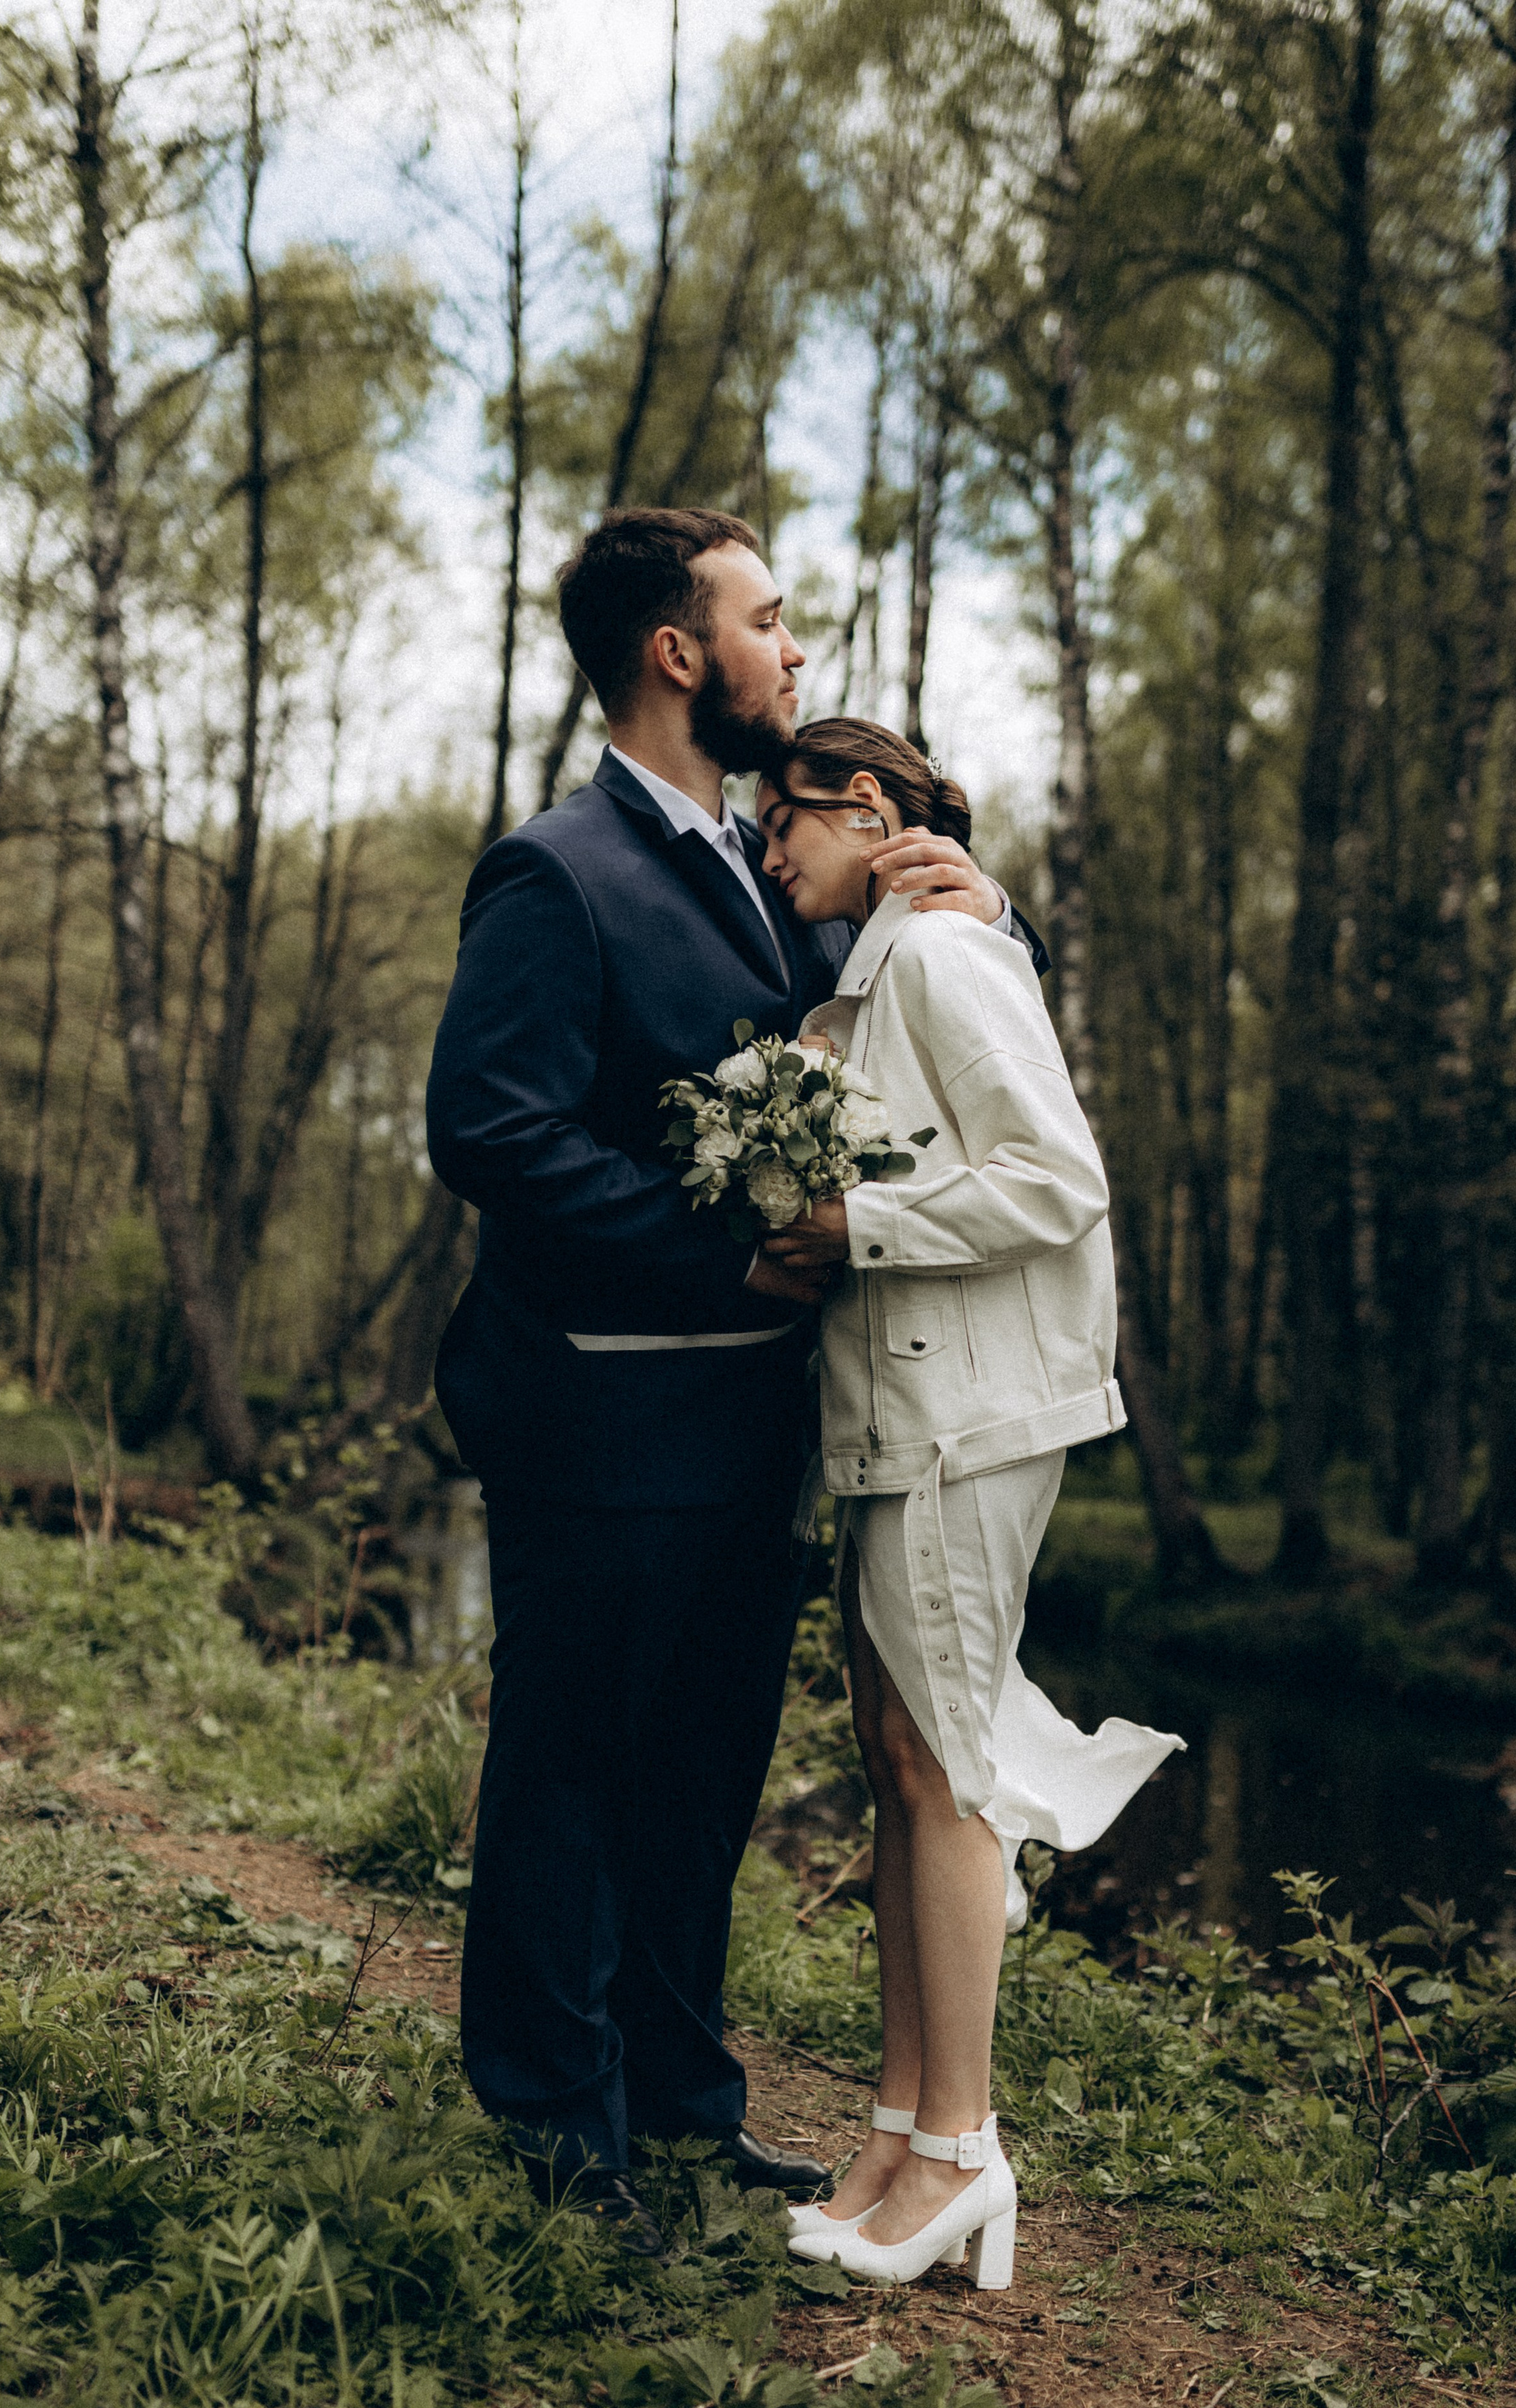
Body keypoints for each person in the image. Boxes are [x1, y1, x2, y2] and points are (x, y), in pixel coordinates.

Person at [424, 510, 1042, 2258]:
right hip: (595, 1411)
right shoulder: (560, 872)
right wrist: (718, 1257)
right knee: (572, 1768)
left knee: (700, 1773)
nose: (794, 651)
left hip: (758, 1427)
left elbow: (933, 1020)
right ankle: (556, 2125)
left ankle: (682, 2103)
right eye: (767, 621)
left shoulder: (770, 862)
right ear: (679, 652)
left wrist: (991, 909)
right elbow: (491, 1129)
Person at [754, 719, 1182, 2292]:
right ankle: (889, 2131)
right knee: (895, 1759)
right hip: (889, 1416)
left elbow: (1053, 1178)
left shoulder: (938, 957)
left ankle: (956, 2153)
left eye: (781, 821)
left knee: (940, 1771)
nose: (767, 848)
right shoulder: (867, 982)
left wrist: (845, 1221)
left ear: (862, 809)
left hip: (967, 1415)